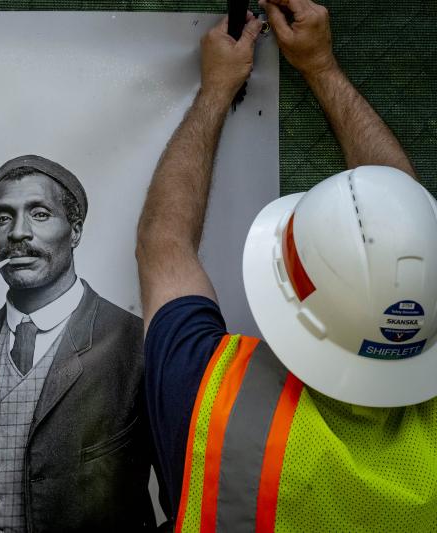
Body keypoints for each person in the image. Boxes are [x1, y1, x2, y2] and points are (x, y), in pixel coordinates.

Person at [137, 0, 437, 530]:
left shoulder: (210, 406)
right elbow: (402, 225)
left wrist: (214, 91)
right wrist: (321, 67)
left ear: (290, 293)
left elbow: (165, 246)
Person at [0, 155, 165, 531]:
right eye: (3, 218)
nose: (18, 233)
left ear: (75, 231)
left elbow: (189, 508)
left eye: (39, 214)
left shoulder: (139, 345)